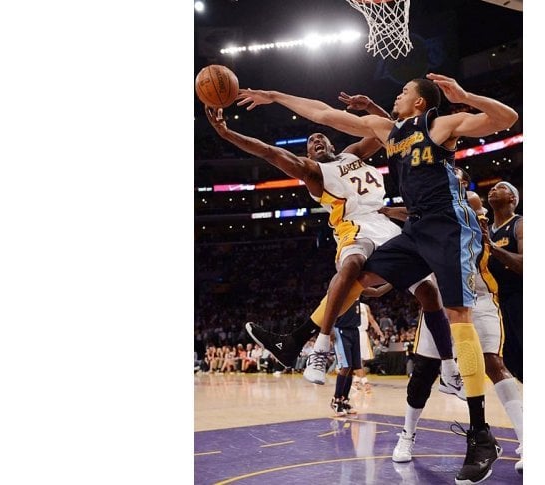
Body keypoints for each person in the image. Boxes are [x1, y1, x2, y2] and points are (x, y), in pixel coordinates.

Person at [236, 74, 518, 483]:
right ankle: (299, 338)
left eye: (405, 91)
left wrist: (463, 97)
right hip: (418, 230)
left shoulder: (439, 126)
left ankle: (480, 433)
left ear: (420, 103)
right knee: (361, 277)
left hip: (450, 228)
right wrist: (274, 94)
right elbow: (322, 112)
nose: (397, 95)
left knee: (458, 315)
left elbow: (505, 116)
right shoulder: (388, 131)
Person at [223, 93, 465, 393]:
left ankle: (449, 370)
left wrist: (372, 107)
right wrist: (227, 133)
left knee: (429, 292)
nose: (317, 141)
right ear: (308, 155)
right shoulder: (313, 171)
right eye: (311, 142)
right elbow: (268, 152)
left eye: (321, 136)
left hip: (385, 224)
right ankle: (320, 348)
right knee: (353, 265)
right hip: (353, 225)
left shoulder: (353, 154)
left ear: (334, 144)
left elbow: (390, 131)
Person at [387, 168, 524, 474]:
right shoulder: (425, 214)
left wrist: (404, 212)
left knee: (493, 362)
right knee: (423, 372)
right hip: (442, 297)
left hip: (479, 295)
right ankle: (407, 435)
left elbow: (457, 208)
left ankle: (525, 439)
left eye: (458, 176)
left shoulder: (471, 202)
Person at [483, 181, 523, 383]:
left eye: (501, 187)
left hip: (520, 299)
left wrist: (493, 248)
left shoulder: (520, 224)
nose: (493, 189)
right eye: (492, 188)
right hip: (495, 304)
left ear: (512, 198)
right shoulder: (486, 230)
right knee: (510, 363)